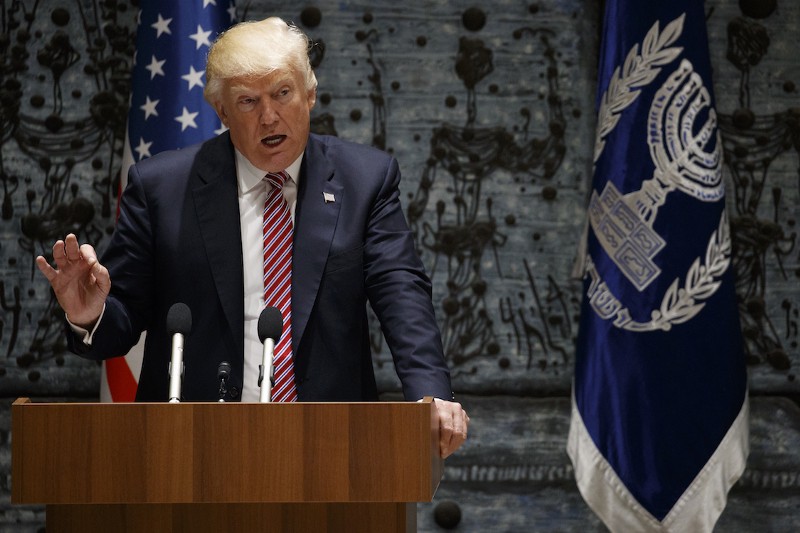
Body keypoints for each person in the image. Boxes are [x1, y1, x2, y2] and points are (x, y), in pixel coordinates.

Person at [36, 17, 468, 457]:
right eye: (247, 101)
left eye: (283, 93)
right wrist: (90, 315)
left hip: (333, 445)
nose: (269, 116)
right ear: (222, 112)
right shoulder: (161, 189)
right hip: (190, 449)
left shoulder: (365, 181)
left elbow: (402, 295)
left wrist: (430, 393)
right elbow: (123, 318)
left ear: (310, 93)